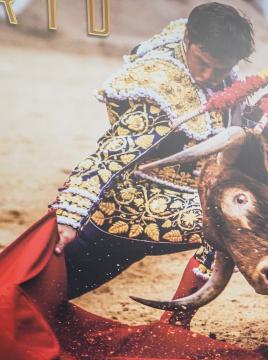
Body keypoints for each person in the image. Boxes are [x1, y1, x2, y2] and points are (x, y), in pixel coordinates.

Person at [52, 2, 254, 326]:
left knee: (47, 293)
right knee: (223, 220)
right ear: (188, 39)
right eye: (202, 64)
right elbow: (108, 157)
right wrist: (69, 216)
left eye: (219, 70)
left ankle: (174, 328)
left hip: (175, 198)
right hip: (128, 206)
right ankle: (174, 331)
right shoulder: (162, 89)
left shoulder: (216, 70)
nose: (207, 77)